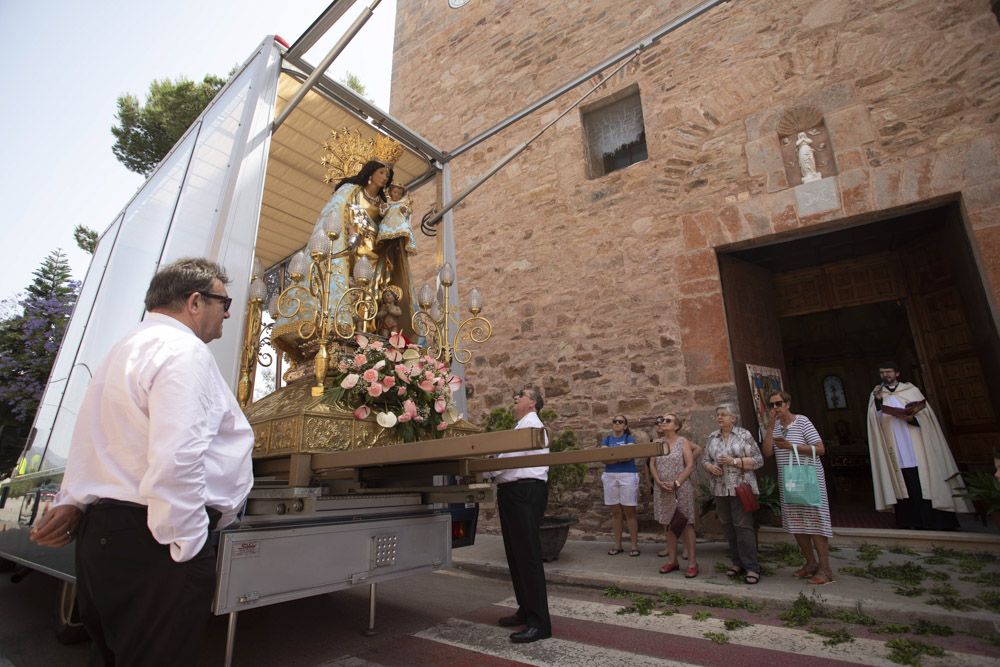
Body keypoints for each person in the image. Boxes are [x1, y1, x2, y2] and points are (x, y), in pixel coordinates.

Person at [29, 258, 255, 665]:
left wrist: (75, 499)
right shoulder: (183, 350)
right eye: (224, 301)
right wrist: (185, 542)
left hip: (109, 533)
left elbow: (94, 441)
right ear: (194, 301)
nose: (228, 311)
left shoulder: (124, 348)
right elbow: (179, 454)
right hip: (156, 541)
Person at [273, 159, 416, 350]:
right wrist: (351, 233)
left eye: (387, 176)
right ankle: (347, 332)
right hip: (352, 250)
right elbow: (337, 213)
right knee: (353, 291)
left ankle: (370, 336)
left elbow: (392, 225)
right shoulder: (351, 191)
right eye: (381, 173)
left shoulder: (384, 204)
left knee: (374, 295)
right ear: (371, 173)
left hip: (377, 254)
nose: (385, 178)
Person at [866, 362, 971, 529]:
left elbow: (926, 416)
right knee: (904, 483)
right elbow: (874, 422)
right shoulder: (877, 395)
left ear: (897, 373)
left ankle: (934, 521)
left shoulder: (911, 391)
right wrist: (878, 403)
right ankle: (909, 521)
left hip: (918, 444)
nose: (885, 375)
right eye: (882, 372)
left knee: (925, 479)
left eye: (889, 371)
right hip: (895, 446)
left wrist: (912, 418)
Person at [494, 387, 551, 643]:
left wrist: (481, 471)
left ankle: (540, 624)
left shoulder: (531, 425)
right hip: (513, 492)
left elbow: (504, 461)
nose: (516, 397)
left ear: (533, 404)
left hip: (524, 492)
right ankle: (526, 609)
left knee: (527, 557)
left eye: (522, 394)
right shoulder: (521, 426)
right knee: (516, 556)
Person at [762, 391, 834, 585]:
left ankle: (825, 568)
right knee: (797, 523)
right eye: (771, 405)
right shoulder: (774, 426)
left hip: (809, 478)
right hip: (789, 480)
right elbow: (767, 452)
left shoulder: (802, 422)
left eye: (778, 404)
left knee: (816, 523)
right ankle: (810, 563)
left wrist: (791, 446)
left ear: (787, 404)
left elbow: (820, 449)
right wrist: (769, 427)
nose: (775, 408)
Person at [703, 404, 764, 585]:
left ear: (733, 418)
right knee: (728, 525)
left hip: (740, 487)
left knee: (743, 526)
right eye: (717, 415)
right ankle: (737, 563)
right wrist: (710, 467)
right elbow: (705, 459)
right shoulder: (712, 437)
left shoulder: (744, 435)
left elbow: (758, 460)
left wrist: (734, 461)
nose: (719, 418)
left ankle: (752, 567)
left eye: (723, 415)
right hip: (720, 488)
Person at [650, 413, 699, 577]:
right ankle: (672, 561)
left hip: (681, 488)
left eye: (668, 420)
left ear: (676, 426)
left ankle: (692, 562)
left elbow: (690, 465)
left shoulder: (682, 442)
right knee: (668, 524)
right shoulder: (657, 443)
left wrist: (677, 482)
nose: (663, 422)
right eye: (662, 420)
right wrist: (657, 481)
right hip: (662, 489)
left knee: (686, 523)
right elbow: (652, 464)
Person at [601, 414, 640, 556]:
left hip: (628, 474)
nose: (617, 423)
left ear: (625, 426)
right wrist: (619, 457)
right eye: (615, 421)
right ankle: (618, 545)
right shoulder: (607, 439)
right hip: (610, 476)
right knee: (616, 512)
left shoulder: (629, 438)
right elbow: (604, 459)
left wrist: (613, 457)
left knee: (630, 511)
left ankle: (634, 545)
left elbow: (628, 455)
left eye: (620, 421)